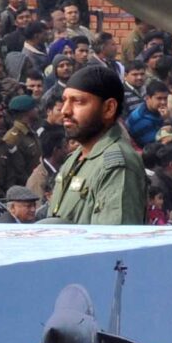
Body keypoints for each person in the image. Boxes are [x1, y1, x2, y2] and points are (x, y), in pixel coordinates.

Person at [45, 62, 147, 225]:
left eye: (78, 101)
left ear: (108, 108)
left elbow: (113, 236)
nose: (65, 110)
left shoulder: (116, 165)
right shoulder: (75, 157)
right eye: (65, 101)